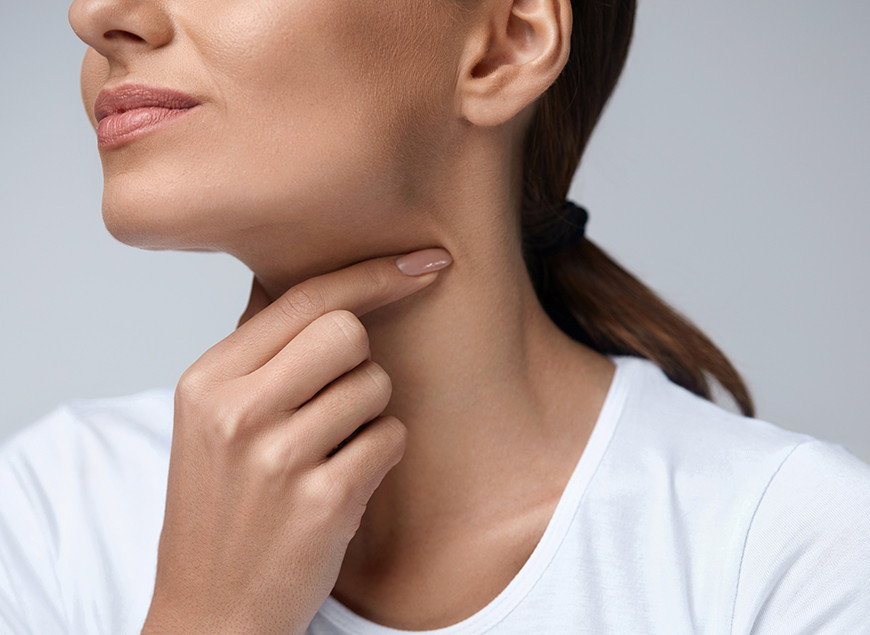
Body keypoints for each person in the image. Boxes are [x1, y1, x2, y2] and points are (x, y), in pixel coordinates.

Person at [1, 0, 868, 632]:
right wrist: (209, 616)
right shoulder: (49, 514)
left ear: (504, 46)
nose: (94, 15)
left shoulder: (791, 553)